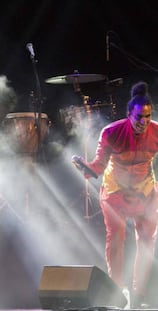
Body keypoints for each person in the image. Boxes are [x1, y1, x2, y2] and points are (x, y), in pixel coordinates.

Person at [75, 81, 158, 307]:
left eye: (148, 116)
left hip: (146, 192)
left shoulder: (156, 131)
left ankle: (138, 294)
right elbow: (98, 167)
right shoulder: (111, 132)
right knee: (116, 240)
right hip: (116, 193)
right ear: (129, 114)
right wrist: (87, 168)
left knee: (147, 242)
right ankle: (118, 291)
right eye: (139, 117)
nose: (144, 122)